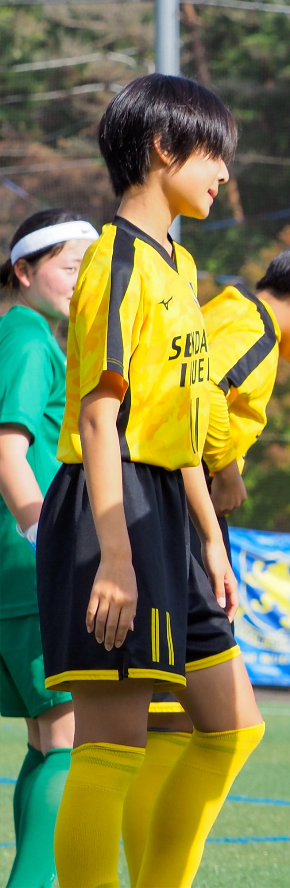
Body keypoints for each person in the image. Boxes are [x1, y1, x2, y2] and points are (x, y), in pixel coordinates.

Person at [36, 74, 264, 888]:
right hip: (114, 507)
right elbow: (102, 418)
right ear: (165, 149)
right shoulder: (113, 263)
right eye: (214, 156)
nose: (224, 176)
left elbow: (184, 428)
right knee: (111, 745)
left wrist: (213, 544)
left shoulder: (181, 264)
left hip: (170, 505)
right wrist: (116, 555)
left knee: (232, 723)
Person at [121, 238, 290, 883]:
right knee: (235, 728)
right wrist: (222, 468)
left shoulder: (231, 311)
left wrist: (227, 467)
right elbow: (195, 401)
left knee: (170, 727)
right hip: (181, 522)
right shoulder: (254, 331)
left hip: (164, 513)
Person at [0, 210, 97, 888]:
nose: (80, 281)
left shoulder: (21, 334)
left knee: (45, 737)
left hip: (14, 569)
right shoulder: (30, 339)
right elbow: (8, 449)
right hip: (28, 564)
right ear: (24, 272)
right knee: (69, 735)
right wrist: (45, 539)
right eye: (69, 266)